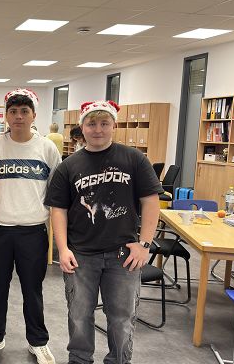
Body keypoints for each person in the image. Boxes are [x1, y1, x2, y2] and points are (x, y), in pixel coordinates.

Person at [44, 101, 162, 364]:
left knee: (121, 318)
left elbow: (151, 201)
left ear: (114, 126)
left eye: (104, 123)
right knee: (79, 315)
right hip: (81, 255)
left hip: (123, 256)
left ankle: (119, 360)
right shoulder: (68, 166)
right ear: (82, 128)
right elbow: (58, 210)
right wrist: (62, 249)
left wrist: (145, 244)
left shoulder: (134, 159)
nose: (98, 130)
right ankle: (79, 360)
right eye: (92, 124)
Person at [0, 89, 60, 364]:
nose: (19, 116)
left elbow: (56, 191)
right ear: (6, 116)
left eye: (24, 111)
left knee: (32, 290)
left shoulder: (47, 148)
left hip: (33, 232)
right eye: (13, 111)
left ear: (34, 115)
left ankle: (38, 342)